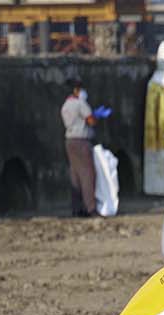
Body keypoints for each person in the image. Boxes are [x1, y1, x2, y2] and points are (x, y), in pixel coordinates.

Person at [61, 77, 110, 218]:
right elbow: (91, 120)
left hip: (70, 141)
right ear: (76, 90)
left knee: (75, 175)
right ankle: (91, 208)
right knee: (88, 175)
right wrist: (98, 115)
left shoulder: (65, 105)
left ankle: (77, 208)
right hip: (82, 141)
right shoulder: (80, 103)